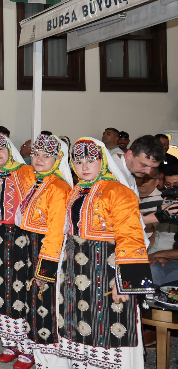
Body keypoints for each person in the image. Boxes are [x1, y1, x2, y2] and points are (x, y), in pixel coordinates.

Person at [35, 137, 153, 369]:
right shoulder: (75, 191)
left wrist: (125, 282)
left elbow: (131, 237)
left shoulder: (119, 192)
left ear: (103, 162)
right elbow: (60, 231)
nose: (84, 167)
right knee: (79, 324)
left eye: (90, 160)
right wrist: (50, 268)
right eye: (78, 162)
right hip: (75, 271)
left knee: (108, 326)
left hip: (107, 270)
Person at [14, 134, 71, 369]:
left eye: (46, 156)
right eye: (36, 154)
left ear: (57, 159)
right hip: (33, 251)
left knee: (47, 307)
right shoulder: (39, 182)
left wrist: (45, 269)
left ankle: (52, 363)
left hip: (47, 254)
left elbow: (56, 231)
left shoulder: (58, 187)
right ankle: (40, 359)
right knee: (35, 307)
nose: (39, 159)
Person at [0, 133, 36, 364]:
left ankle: (27, 348)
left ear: (10, 150)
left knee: (20, 289)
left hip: (21, 239)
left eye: (1, 149)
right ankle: (8, 343)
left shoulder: (27, 174)